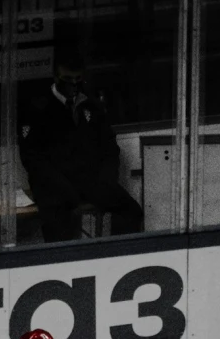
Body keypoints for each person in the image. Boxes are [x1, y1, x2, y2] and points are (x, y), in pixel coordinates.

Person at [19, 60, 143, 242]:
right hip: (54, 185)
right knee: (59, 227)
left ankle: (117, 257)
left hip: (90, 180)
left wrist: (107, 179)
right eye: (68, 79)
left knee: (131, 212)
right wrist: (63, 189)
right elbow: (32, 159)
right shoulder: (38, 108)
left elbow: (109, 147)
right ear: (56, 78)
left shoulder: (91, 105)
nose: (73, 84)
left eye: (78, 79)